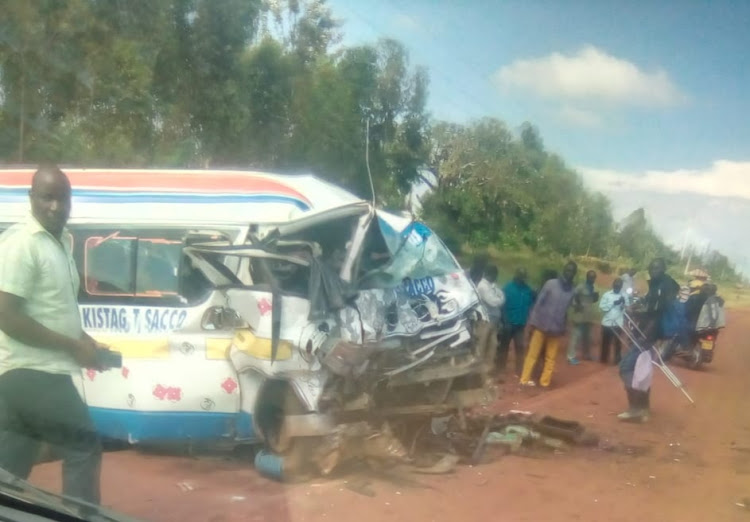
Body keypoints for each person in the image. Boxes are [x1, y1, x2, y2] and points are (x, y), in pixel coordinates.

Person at [0, 166, 105, 504]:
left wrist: (84, 340)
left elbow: (52, 309)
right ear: (31, 198)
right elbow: (6, 315)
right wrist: (73, 347)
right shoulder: (23, 243)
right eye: (47, 197)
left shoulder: (58, 243)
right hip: (33, 371)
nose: (56, 207)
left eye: (63, 198)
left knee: (11, 467)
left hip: (25, 377)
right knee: (83, 443)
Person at [617, 257, 679, 422]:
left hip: (648, 334)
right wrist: (638, 308)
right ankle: (644, 408)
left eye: (657, 268)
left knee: (625, 368)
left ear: (664, 268)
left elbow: (656, 313)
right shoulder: (663, 286)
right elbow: (652, 306)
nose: (653, 270)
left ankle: (635, 408)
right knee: (642, 369)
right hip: (651, 334)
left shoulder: (662, 287)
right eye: (651, 268)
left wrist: (636, 314)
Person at [519, 261, 578, 388]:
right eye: (567, 270)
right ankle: (524, 380)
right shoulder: (551, 284)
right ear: (563, 270)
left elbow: (569, 309)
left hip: (556, 328)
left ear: (574, 274)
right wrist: (532, 323)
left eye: (572, 272)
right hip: (541, 324)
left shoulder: (572, 291)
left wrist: (565, 327)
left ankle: (544, 383)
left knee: (550, 358)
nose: (569, 273)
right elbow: (538, 304)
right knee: (532, 354)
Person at [498, 268, 535, 375]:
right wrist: (505, 322)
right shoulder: (508, 288)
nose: (522, 279)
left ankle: (519, 370)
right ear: (516, 276)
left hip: (520, 324)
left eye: (524, 277)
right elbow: (502, 306)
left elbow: (532, 302)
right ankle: (500, 369)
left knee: (520, 347)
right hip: (508, 323)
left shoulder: (528, 290)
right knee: (504, 347)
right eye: (521, 277)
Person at [567, 270, 599, 364]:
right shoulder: (580, 287)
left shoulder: (593, 288)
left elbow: (592, 300)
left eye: (593, 277)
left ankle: (586, 354)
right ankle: (570, 356)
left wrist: (595, 297)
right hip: (579, 315)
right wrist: (576, 305)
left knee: (587, 337)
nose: (592, 279)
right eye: (590, 277)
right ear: (587, 277)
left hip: (588, 316)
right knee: (575, 336)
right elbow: (573, 298)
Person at [599, 277, 628, 364]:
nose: (617, 287)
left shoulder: (624, 296)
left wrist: (623, 304)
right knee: (605, 342)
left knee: (617, 344)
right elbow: (602, 308)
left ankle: (617, 360)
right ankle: (603, 360)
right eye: (616, 285)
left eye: (619, 286)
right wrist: (613, 303)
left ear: (621, 286)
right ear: (613, 285)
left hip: (618, 323)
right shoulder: (606, 295)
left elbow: (627, 310)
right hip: (607, 323)